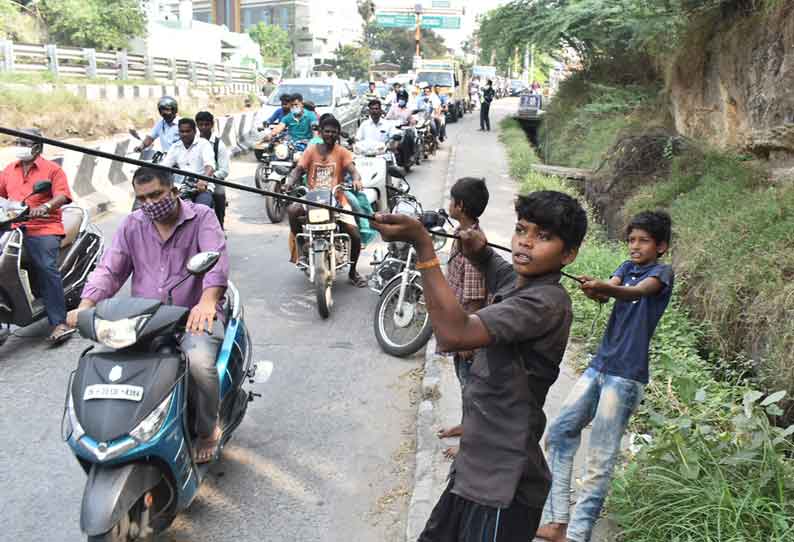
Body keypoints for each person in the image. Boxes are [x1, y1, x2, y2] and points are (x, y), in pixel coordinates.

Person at [373, 191, 587, 542]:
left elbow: (455, 333)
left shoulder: (545, 303)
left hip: (502, 485)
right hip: (474, 469)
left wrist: (424, 248)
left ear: (569, 255)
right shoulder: (521, 283)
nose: (526, 243)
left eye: (543, 237)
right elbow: (496, 267)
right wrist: (481, 250)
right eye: (522, 230)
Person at [67, 167, 228, 463]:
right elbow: (110, 269)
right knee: (105, 363)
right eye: (143, 198)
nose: (150, 203)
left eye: (156, 194)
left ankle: (208, 429)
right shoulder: (132, 224)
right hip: (144, 319)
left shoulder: (202, 217)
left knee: (199, 364)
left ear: (174, 191)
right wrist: (86, 305)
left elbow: (215, 261)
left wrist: (206, 302)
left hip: (191, 317)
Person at [536, 211, 674, 542]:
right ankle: (557, 522)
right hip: (601, 365)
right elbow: (610, 289)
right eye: (631, 240)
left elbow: (636, 293)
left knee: (600, 456)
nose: (635, 246)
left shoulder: (661, 273)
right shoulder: (626, 269)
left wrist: (607, 290)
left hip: (626, 376)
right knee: (558, 432)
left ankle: (578, 533)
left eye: (643, 241)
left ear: (662, 247)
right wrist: (594, 288)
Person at [0, 128, 74, 343]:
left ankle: (59, 322)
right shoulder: (8, 170)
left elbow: (63, 195)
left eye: (24, 142)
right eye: (18, 141)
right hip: (13, 227)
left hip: (43, 227)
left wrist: (47, 206)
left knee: (45, 267)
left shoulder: (52, 170)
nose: (19, 146)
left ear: (37, 146)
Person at [436, 178, 490, 459]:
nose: (448, 204)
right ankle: (466, 425)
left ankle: (471, 445)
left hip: (468, 330)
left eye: (451, 199)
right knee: (462, 380)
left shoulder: (472, 245)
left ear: (460, 206)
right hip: (460, 326)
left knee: (472, 388)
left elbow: (475, 297)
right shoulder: (462, 232)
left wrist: (469, 340)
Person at [285, 115, 367, 287]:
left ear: (338, 134)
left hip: (336, 199)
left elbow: (353, 170)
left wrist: (357, 179)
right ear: (321, 132)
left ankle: (353, 273)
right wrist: (289, 182)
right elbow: (298, 170)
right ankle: (302, 245)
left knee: (354, 234)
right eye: (327, 131)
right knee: (292, 210)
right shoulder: (311, 151)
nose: (330, 134)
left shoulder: (342, 152)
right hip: (312, 198)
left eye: (334, 132)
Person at [161, 118, 216, 208]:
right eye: (182, 131)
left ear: (194, 131)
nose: (184, 134)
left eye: (187, 131)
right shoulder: (175, 147)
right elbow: (164, 167)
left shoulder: (204, 144)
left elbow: (210, 165)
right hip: (182, 188)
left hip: (201, 188)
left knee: (202, 210)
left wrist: (204, 180)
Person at [195, 111, 230, 228]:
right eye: (200, 125)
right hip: (193, 179)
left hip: (214, 180)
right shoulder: (193, 142)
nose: (203, 128)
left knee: (219, 194)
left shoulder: (219, 145)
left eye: (206, 124)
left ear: (212, 125)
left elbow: (224, 170)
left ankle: (220, 226)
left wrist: (209, 177)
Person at [385, 89, 417, 166]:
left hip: (404, 129)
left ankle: (410, 156)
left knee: (409, 135)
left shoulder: (408, 110)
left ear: (406, 100)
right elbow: (387, 117)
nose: (401, 100)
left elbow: (411, 119)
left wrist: (413, 121)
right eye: (400, 98)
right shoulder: (393, 107)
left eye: (403, 99)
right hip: (394, 129)